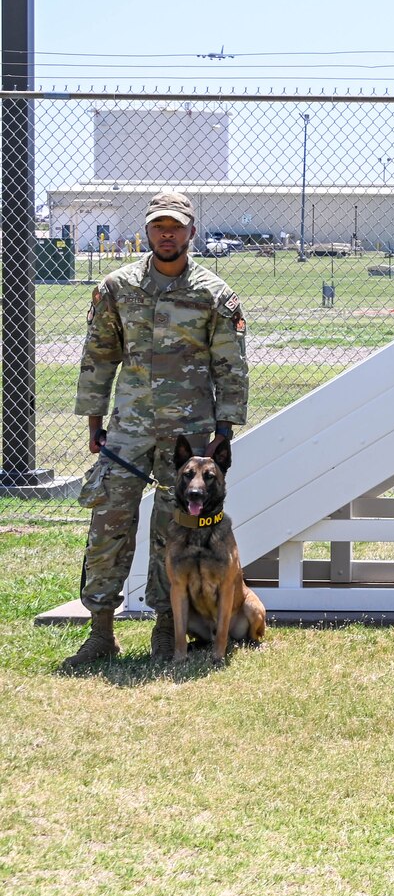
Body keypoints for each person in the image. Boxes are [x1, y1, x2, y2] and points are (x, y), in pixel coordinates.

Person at [65, 190, 249, 669]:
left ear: (191, 231)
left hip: (188, 433)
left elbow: (231, 364)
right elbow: (99, 355)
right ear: (147, 231)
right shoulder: (117, 287)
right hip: (128, 428)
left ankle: (168, 629)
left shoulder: (213, 293)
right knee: (109, 520)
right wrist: (93, 421)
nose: (167, 234)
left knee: (176, 532)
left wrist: (223, 430)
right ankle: (101, 630)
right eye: (158, 226)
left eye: (176, 226)